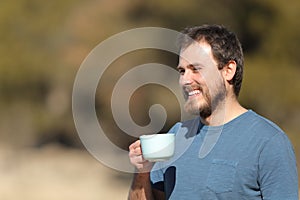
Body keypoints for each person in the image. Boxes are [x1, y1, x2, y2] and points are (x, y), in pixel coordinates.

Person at [128, 24, 298, 200]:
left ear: (228, 71)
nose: (185, 80)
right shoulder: (176, 136)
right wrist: (142, 172)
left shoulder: (269, 142)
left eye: (196, 69)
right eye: (182, 71)